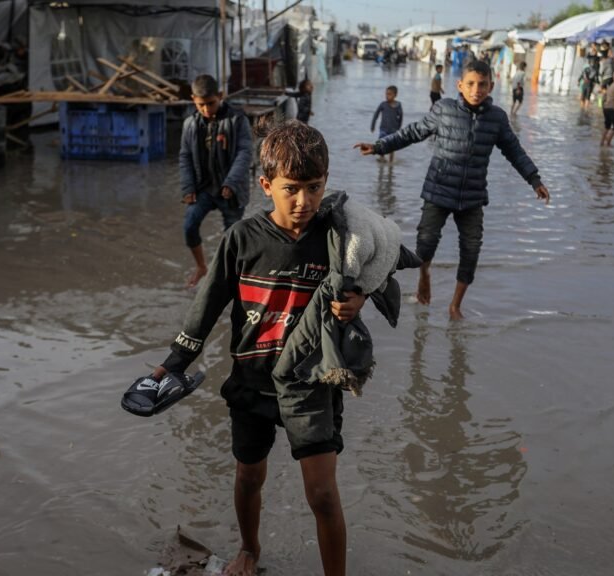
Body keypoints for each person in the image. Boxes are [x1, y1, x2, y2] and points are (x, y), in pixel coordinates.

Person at [153, 121, 367, 576]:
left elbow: (378, 269)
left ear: (327, 181)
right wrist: (175, 362)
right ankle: (249, 548)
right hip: (251, 381)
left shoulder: (337, 237)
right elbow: (206, 306)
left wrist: (360, 298)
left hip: (311, 385)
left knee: (323, 494)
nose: (304, 201)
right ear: (266, 184)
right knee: (249, 475)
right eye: (291, 188)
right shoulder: (241, 240)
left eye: (315, 187)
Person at [353, 60, 550, 320]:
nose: (476, 89)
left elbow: (514, 150)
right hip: (437, 191)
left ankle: (455, 306)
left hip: (473, 198)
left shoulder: (497, 119)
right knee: (424, 247)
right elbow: (412, 133)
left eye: (482, 84)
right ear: (460, 85)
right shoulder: (443, 109)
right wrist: (380, 146)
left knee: (471, 252)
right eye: (470, 84)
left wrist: (534, 179)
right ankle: (425, 276)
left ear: (491, 86)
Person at [179, 74, 253, 287]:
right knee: (189, 226)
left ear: (220, 96)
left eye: (210, 103)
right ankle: (201, 266)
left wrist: (231, 183)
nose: (206, 109)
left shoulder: (237, 120)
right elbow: (184, 156)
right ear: (193, 99)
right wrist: (188, 187)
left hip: (230, 189)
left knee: (232, 237)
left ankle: (227, 277)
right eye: (201, 105)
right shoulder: (190, 124)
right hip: (203, 188)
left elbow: (244, 153)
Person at [370, 85, 403, 163]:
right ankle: (381, 158)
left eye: (389, 94)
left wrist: (399, 127)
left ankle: (391, 162)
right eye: (386, 94)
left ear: (395, 95)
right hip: (383, 128)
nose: (387, 96)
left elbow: (401, 117)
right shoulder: (383, 104)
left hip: (393, 130)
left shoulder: (398, 105)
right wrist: (373, 125)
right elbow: (376, 114)